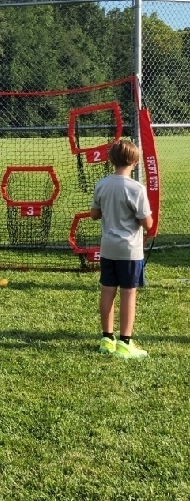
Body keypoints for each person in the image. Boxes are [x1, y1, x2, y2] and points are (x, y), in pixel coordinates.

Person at [91, 139, 153, 358]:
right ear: (135, 162)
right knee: (128, 293)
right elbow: (147, 224)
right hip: (130, 250)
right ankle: (125, 342)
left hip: (108, 248)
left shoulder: (102, 184)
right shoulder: (136, 188)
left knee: (108, 290)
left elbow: (95, 214)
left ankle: (107, 339)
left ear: (111, 160)